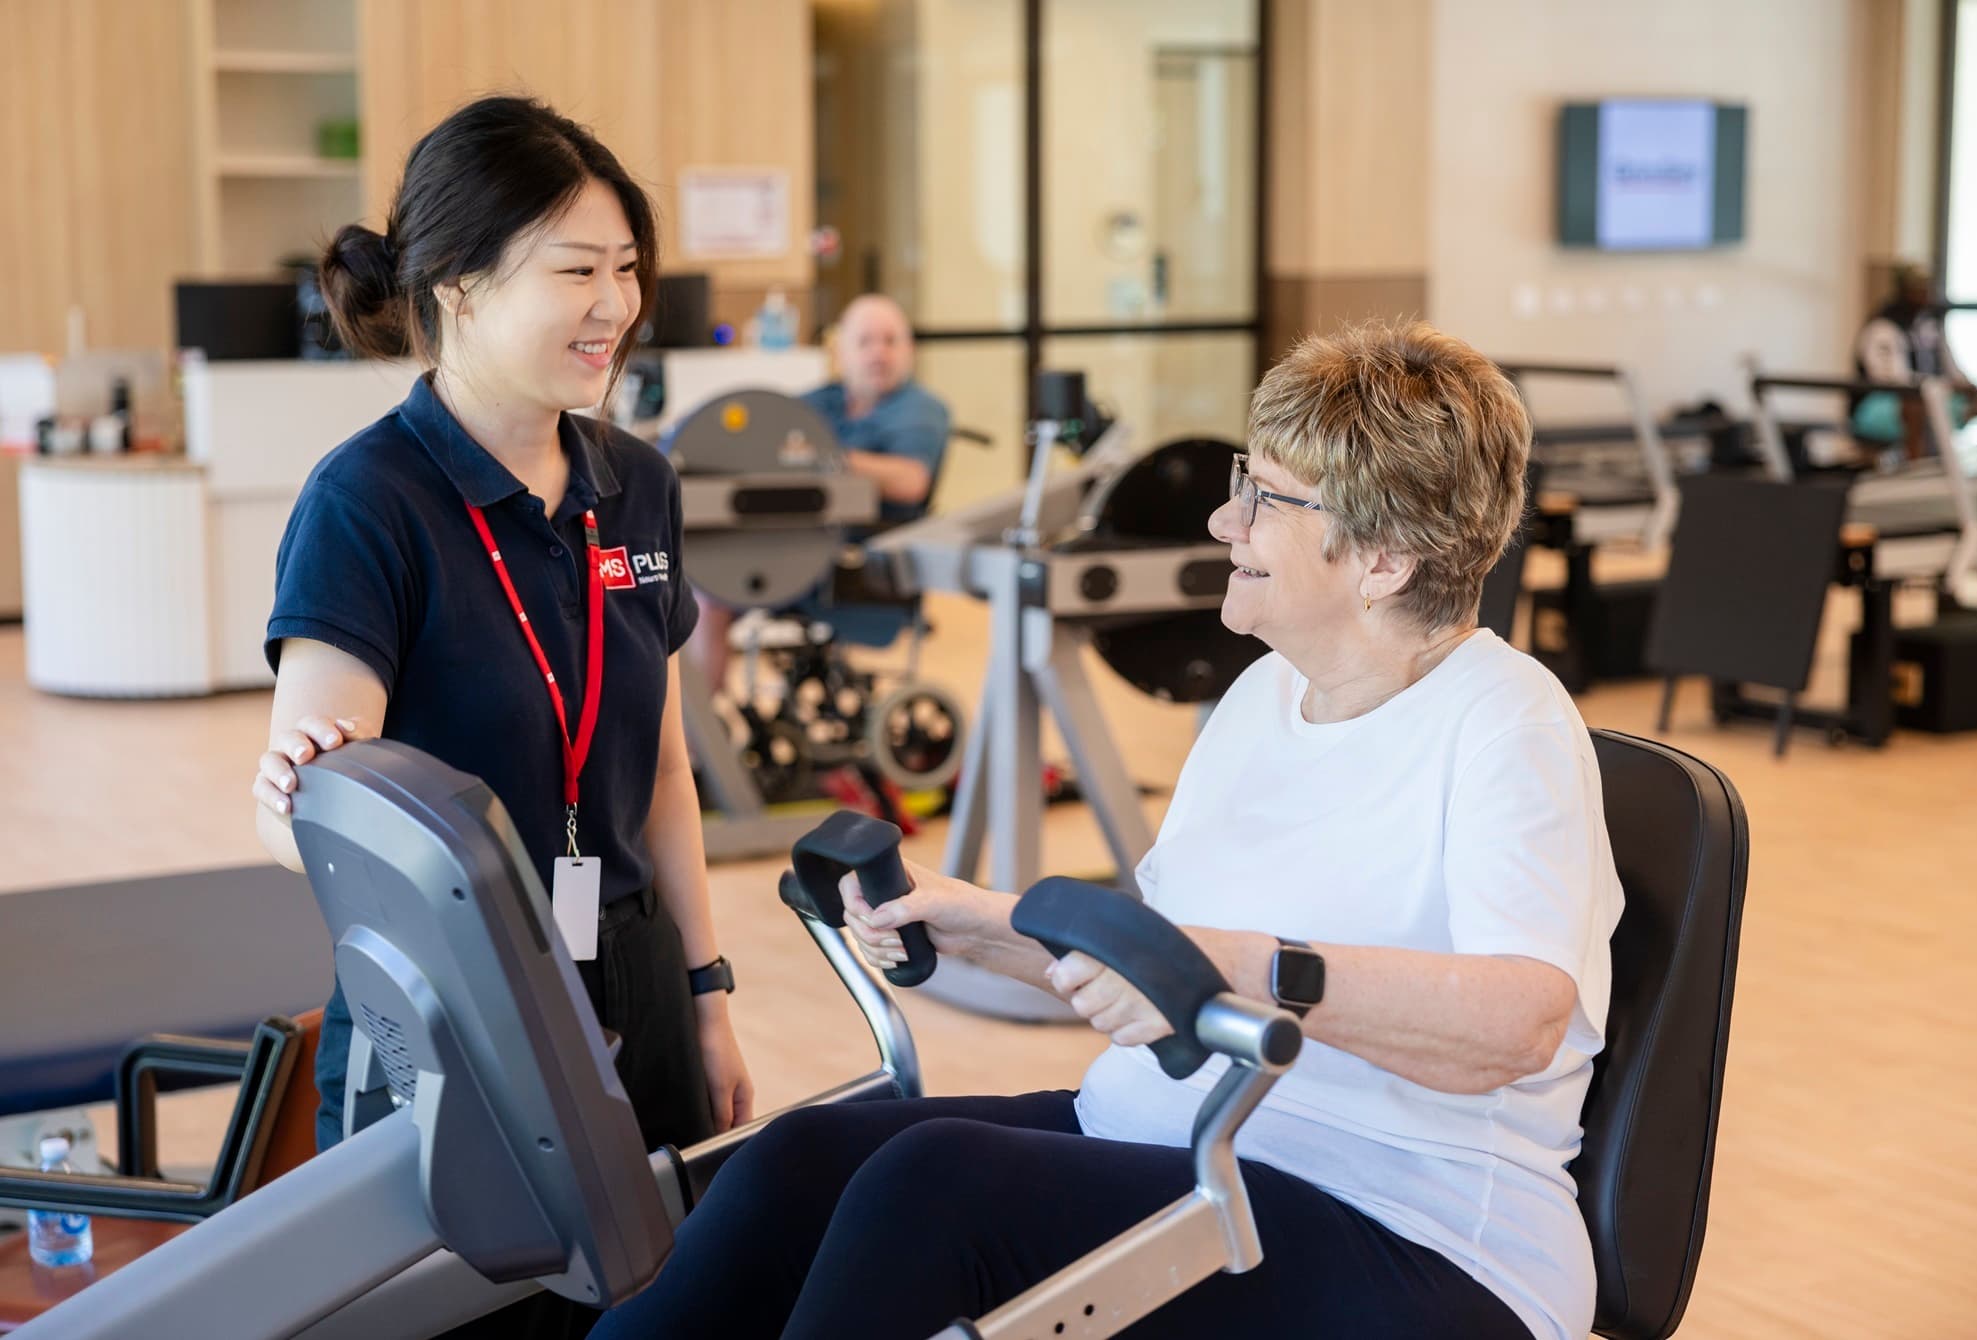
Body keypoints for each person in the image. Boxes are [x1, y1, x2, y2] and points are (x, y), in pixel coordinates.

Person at [591, 321, 1624, 1340]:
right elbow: (1160, 965)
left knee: (933, 1188)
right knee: (799, 1160)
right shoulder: (1263, 696)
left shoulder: (1506, 722)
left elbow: (1519, 1021)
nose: (1224, 520)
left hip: (1410, 1221)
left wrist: (1245, 969)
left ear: (1384, 559)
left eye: (1265, 499)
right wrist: (975, 922)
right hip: (1179, 1141)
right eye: (1243, 481)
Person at [250, 96, 752, 1338]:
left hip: (633, 963)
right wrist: (298, 789)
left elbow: (662, 772)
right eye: (575, 270)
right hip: (461, 997)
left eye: (626, 267)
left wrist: (705, 994)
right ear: (458, 287)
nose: (615, 303)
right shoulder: (367, 500)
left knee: (662, 1304)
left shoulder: (636, 483)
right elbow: (317, 806)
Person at [684, 293, 950, 683]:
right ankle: (690, 714)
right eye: (865, 342)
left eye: (890, 341)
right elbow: (768, 435)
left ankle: (697, 720)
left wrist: (827, 457)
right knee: (688, 580)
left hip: (859, 563)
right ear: (841, 352)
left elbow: (911, 482)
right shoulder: (824, 400)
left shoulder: (919, 410)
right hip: (794, 540)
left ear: (909, 349)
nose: (879, 353)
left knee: (710, 590)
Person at [1851, 263, 1977, 461]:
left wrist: (1967, 387)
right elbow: (1891, 378)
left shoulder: (1930, 325)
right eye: (1917, 288)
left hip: (1932, 393)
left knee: (1974, 399)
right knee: (1916, 404)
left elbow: (1952, 368)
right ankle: (1915, 464)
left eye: (1926, 288)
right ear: (1904, 290)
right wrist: (1941, 385)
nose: (1925, 294)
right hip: (1884, 402)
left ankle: (1952, 462)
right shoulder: (1883, 326)